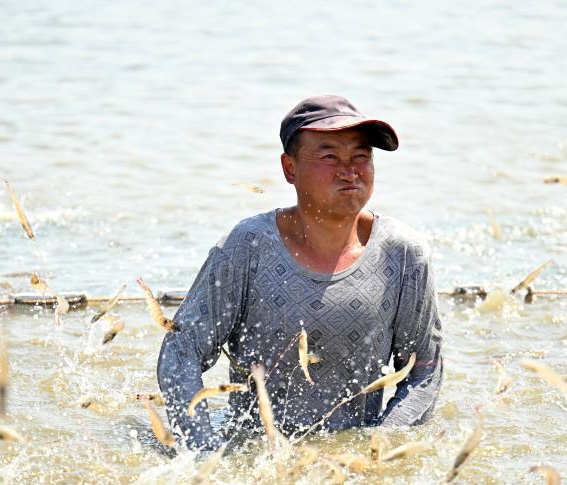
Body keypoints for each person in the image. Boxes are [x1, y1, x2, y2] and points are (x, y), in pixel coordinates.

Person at [156, 95, 443, 450]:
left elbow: (424, 370)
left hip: (349, 458)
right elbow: (181, 351)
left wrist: (377, 450)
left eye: (361, 156)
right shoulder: (247, 246)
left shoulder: (404, 254)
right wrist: (204, 450)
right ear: (289, 168)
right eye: (329, 156)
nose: (349, 170)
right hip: (256, 453)